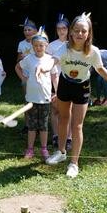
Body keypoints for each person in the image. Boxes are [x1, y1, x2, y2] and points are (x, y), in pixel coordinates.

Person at [46, 12, 107, 178]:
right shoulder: (64, 48)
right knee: (64, 119)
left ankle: (74, 163)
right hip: (64, 84)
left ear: (88, 33)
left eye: (83, 31)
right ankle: (61, 152)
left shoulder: (93, 52)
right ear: (70, 32)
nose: (79, 34)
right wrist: (44, 67)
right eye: (76, 30)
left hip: (82, 87)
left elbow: (101, 69)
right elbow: (53, 60)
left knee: (77, 125)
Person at [15, 27, 58, 160]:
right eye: (36, 46)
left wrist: (56, 91)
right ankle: (30, 149)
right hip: (31, 98)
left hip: (45, 98)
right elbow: (17, 67)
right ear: (32, 46)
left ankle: (44, 148)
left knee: (44, 126)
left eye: (41, 45)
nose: (38, 48)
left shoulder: (51, 59)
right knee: (32, 126)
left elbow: (54, 76)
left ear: (46, 45)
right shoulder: (28, 59)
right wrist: (23, 78)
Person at [47, 13, 72, 150]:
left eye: (64, 28)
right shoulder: (51, 46)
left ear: (68, 29)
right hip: (54, 80)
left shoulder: (73, 44)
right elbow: (49, 65)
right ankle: (56, 135)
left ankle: (69, 138)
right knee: (55, 109)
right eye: (58, 28)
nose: (61, 31)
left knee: (70, 111)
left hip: (70, 81)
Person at [16, 17, 38, 133]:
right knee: (27, 100)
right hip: (25, 76)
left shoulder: (39, 41)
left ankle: (38, 125)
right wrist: (22, 57)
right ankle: (27, 124)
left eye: (29, 30)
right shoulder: (21, 44)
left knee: (38, 102)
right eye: (25, 30)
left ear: (35, 31)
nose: (27, 32)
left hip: (38, 77)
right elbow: (18, 60)